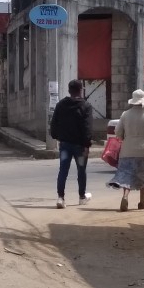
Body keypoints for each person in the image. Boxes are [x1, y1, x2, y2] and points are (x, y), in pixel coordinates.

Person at [49, 79, 93, 209]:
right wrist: (87, 144)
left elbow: (54, 123)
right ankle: (81, 197)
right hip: (80, 146)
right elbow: (87, 127)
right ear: (80, 90)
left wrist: (57, 136)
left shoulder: (61, 104)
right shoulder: (86, 106)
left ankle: (61, 198)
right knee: (81, 170)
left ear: (69, 90)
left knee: (63, 170)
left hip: (65, 144)